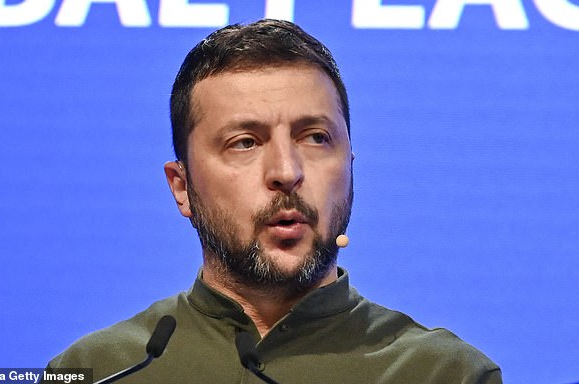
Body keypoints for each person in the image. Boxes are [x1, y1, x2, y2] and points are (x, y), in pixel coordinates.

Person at [47, 19, 501, 383]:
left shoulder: (443, 374)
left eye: (316, 138)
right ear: (182, 188)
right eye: (245, 142)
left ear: (350, 166)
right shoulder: (100, 369)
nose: (287, 171)